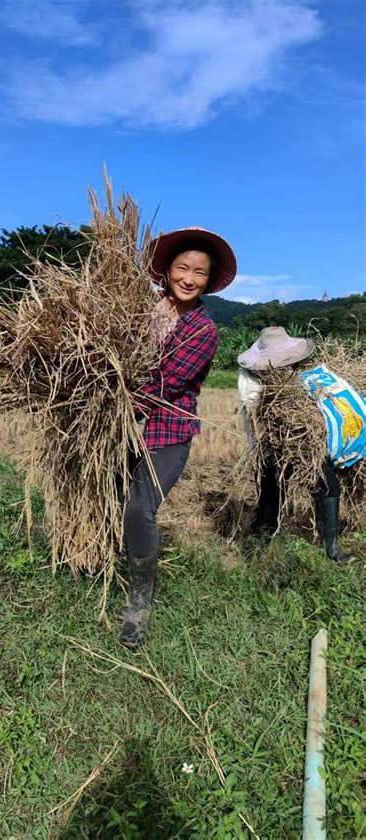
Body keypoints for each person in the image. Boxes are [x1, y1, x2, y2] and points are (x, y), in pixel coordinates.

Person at [119, 226, 237, 647]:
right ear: (167, 270)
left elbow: (162, 386)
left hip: (167, 428)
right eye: (182, 268)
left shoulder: (203, 330)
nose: (189, 278)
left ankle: (139, 604)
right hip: (121, 423)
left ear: (208, 280)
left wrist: (109, 405)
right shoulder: (139, 308)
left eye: (199, 273)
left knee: (140, 508)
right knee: (115, 495)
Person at [237, 326, 365, 561]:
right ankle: (260, 543)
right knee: (273, 490)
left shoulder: (301, 370)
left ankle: (331, 549)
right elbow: (257, 415)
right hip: (272, 445)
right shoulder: (249, 379)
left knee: (327, 485)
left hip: (306, 442)